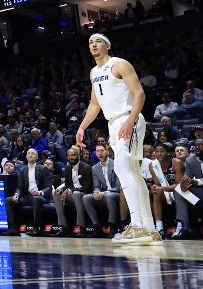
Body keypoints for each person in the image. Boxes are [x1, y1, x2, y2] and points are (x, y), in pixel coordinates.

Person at [76, 32, 160, 245]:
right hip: (113, 123)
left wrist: (130, 120)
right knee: (133, 173)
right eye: (90, 42)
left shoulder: (119, 64)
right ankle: (149, 228)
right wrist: (82, 126)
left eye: (98, 41)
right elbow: (95, 104)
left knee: (122, 168)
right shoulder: (94, 72)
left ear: (108, 45)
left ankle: (138, 225)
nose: (93, 45)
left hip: (128, 118)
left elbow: (139, 93)